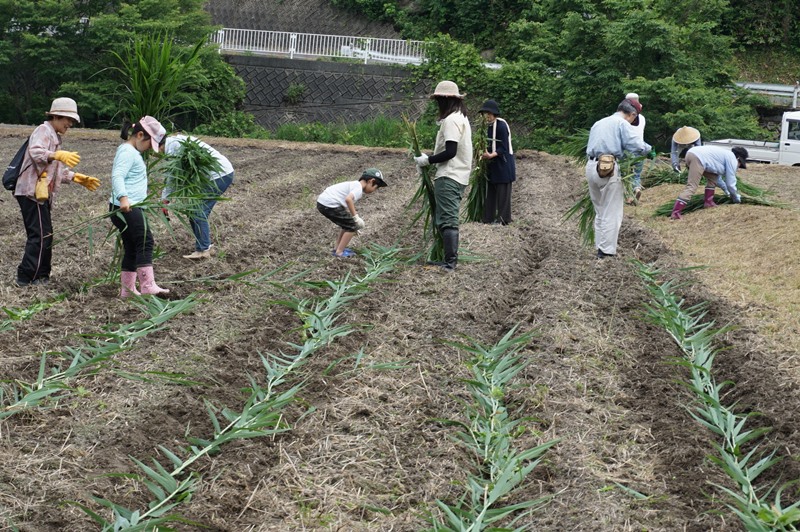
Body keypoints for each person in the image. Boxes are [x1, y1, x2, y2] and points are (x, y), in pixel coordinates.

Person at [13, 97, 100, 287]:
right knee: (40, 234)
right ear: (56, 116)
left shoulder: (55, 136)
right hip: (30, 191)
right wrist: (55, 155)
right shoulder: (43, 130)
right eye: (67, 119)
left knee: (46, 234)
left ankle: (42, 275)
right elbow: (36, 153)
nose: (70, 124)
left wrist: (77, 178)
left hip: (40, 193)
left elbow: (55, 170)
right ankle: (26, 277)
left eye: (71, 121)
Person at [414, 80, 473, 271]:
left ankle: (450, 262)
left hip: (449, 175)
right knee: (447, 216)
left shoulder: (451, 120)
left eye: (438, 100)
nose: (437, 103)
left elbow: (450, 152)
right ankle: (448, 259)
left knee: (447, 218)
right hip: (457, 175)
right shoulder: (461, 117)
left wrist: (427, 161)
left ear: (446, 99)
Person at [109, 116, 169, 297]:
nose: (150, 149)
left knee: (132, 245)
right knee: (145, 241)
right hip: (128, 207)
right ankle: (147, 286)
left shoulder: (132, 152)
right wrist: (124, 198)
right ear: (140, 135)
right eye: (149, 144)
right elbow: (117, 175)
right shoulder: (127, 151)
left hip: (128, 206)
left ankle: (127, 290)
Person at [585, 99, 653, 259]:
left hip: (591, 166)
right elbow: (635, 145)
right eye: (633, 118)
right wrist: (648, 150)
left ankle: (599, 246)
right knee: (612, 211)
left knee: (600, 211)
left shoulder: (599, 123)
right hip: (608, 167)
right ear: (632, 114)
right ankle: (607, 252)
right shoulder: (622, 124)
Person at [160, 134, 234, 259]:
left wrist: (165, 199)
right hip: (217, 174)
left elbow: (172, 176)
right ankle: (205, 247)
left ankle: (203, 250)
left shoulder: (174, 148)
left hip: (219, 175)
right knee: (194, 211)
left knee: (198, 211)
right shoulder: (174, 143)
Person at [317, 168, 387, 257]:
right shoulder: (358, 188)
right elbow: (348, 199)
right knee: (352, 226)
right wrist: (356, 218)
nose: (374, 190)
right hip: (329, 204)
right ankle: (339, 252)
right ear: (371, 181)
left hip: (324, 203)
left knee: (348, 225)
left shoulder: (354, 185)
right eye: (375, 187)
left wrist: (352, 222)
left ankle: (337, 249)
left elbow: (345, 203)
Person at [669, 145, 747, 220]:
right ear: (738, 158)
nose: (738, 166)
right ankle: (676, 212)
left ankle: (708, 202)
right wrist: (736, 197)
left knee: (713, 178)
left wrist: (727, 192)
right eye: (740, 164)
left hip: (693, 154)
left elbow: (719, 180)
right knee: (692, 186)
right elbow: (730, 182)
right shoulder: (732, 159)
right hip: (697, 158)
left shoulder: (724, 156)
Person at [478, 99, 516, 225]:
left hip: (503, 164)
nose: (487, 116)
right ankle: (487, 218)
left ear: (494, 114)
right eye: (485, 114)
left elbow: (503, 147)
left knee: (503, 193)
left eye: (489, 114)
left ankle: (503, 220)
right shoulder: (485, 127)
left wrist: (491, 155)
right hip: (492, 165)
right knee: (491, 192)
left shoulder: (501, 125)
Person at [625, 93, 646, 204]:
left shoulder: (625, 118)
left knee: (626, 173)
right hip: (641, 148)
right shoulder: (642, 118)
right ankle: (637, 188)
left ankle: (628, 196)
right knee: (636, 174)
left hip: (627, 150)